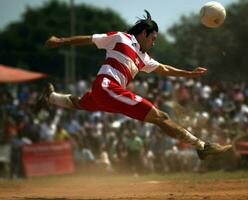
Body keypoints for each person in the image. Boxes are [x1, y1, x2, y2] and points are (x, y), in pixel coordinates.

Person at [37, 10, 232, 161]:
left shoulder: (144, 57)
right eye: (153, 38)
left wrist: (188, 73)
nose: (154, 43)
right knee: (161, 117)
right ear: (144, 33)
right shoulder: (121, 38)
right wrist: (60, 41)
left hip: (104, 94)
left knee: (80, 103)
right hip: (107, 87)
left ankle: (51, 97)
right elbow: (90, 39)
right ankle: (202, 147)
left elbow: (163, 68)